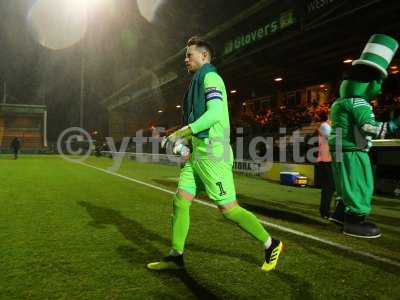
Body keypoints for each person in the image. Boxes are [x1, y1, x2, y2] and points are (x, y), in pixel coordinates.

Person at [147, 36, 283, 272]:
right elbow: (198, 121)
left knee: (229, 210)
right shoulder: (196, 82)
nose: (185, 59)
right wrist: (182, 140)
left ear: (204, 56)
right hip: (197, 154)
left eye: (189, 55)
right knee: (181, 201)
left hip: (213, 154)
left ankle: (271, 244)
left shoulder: (211, 77)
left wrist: (184, 131)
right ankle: (176, 256)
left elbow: (215, 114)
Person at [329, 34, 400, 238]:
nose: (379, 89)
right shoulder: (359, 102)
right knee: (359, 182)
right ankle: (355, 220)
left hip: (339, 147)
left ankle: (340, 212)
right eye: (378, 83)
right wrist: (392, 125)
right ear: (370, 82)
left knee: (343, 182)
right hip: (353, 149)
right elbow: (368, 126)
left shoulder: (338, 103)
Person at [316, 113, 335, 219]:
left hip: (330, 160)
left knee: (331, 187)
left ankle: (327, 211)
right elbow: (332, 139)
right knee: (329, 187)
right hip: (326, 161)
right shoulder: (325, 125)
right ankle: (325, 211)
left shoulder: (331, 126)